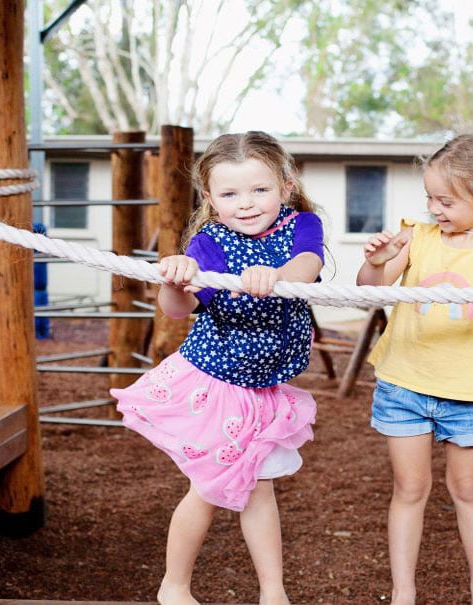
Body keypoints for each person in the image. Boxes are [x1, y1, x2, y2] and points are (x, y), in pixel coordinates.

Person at [110, 131, 324, 605]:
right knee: (209, 487)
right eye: (230, 194)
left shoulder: (302, 225)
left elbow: (307, 266)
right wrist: (176, 278)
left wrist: (278, 277)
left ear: (286, 186)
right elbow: (176, 309)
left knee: (259, 488)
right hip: (216, 382)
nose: (245, 204)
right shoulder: (210, 243)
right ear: (210, 198)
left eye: (259, 190)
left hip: (265, 388)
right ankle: (174, 586)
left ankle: (273, 592)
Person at [356, 134, 473, 605]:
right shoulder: (416, 236)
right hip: (404, 384)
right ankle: (403, 593)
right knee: (409, 489)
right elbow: (369, 290)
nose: (435, 208)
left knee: (468, 489)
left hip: (467, 391)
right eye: (430, 198)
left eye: (447, 200)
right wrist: (375, 263)